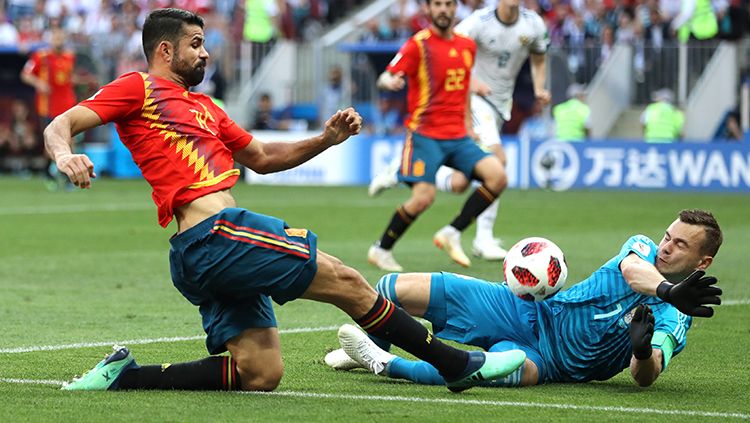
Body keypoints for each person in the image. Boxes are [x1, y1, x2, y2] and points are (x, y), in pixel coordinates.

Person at [45, 8, 525, 394]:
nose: (206, 54)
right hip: (216, 236)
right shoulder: (139, 87)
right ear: (165, 50)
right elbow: (59, 125)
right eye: (196, 45)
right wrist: (66, 156)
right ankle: (457, 364)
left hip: (204, 252)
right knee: (345, 279)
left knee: (260, 372)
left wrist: (324, 140)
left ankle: (125, 376)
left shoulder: (207, 108)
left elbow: (262, 156)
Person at [327, 209, 723, 388]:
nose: (666, 247)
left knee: (478, 371)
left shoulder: (676, 319)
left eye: (680, 245)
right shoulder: (642, 248)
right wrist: (668, 289)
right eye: (668, 237)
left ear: (702, 261)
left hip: (548, 364)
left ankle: (383, 363)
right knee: (389, 289)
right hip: (526, 309)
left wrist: (639, 352)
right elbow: (632, 272)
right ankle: (369, 344)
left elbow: (645, 377)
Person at [368, 0, 550, 262]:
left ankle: (453, 231)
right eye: (438, 5)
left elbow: (464, 88)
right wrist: (391, 80)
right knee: (423, 198)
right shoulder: (419, 43)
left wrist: (467, 126)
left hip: (458, 135)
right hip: (425, 133)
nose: (444, 9)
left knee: (494, 177)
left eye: (449, 4)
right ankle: (381, 249)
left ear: (455, 10)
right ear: (428, 10)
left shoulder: (467, 47)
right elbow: (385, 75)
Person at [20, 26, 78, 189]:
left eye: (61, 37)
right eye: (55, 37)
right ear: (50, 39)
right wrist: (39, 83)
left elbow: (69, 79)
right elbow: (25, 74)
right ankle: (49, 171)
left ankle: (66, 177)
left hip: (67, 105)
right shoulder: (41, 57)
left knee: (69, 141)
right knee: (52, 144)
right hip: (48, 107)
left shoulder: (69, 57)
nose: (58, 41)